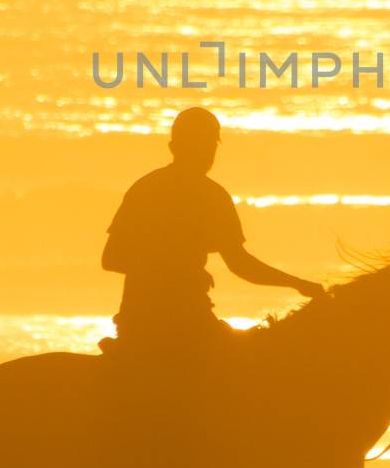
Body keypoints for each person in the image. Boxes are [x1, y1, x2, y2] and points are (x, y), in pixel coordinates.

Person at [101, 106, 324, 357]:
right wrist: (179, 269)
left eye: (209, 145)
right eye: (199, 144)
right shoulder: (165, 192)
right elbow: (111, 258)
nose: (205, 152)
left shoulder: (192, 193)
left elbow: (240, 263)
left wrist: (298, 284)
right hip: (167, 327)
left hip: (179, 321)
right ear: (175, 147)